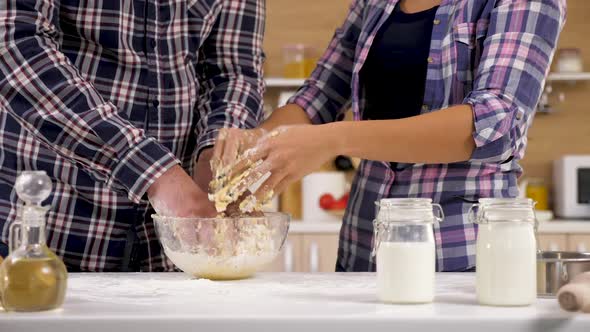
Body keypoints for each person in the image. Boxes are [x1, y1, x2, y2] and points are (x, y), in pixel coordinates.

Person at [212, 0, 567, 272]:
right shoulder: (375, 3)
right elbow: (318, 96)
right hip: (362, 248)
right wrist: (254, 142)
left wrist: (332, 139)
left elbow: (494, 124)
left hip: (462, 255)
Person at [0, 0, 265, 271]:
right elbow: (14, 43)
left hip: (175, 254)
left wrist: (217, 155)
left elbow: (234, 72)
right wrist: (155, 173)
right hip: (47, 236)